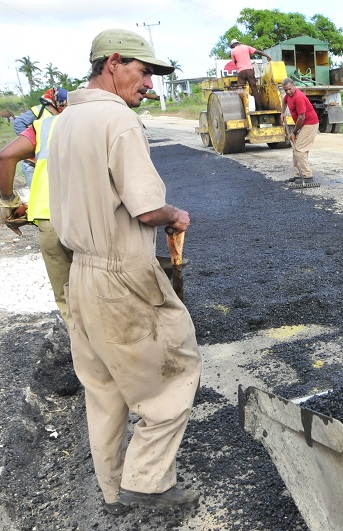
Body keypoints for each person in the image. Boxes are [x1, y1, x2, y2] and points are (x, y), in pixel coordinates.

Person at [47, 28, 202, 515]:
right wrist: (175, 214)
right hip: (121, 275)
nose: (150, 83)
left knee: (105, 386)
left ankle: (113, 490)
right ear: (113, 62)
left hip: (82, 273)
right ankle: (149, 483)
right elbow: (146, 207)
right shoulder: (119, 122)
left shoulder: (66, 118)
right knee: (175, 373)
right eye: (145, 71)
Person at [0, 104, 72, 322]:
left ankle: (83, 352)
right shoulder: (107, 120)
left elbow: (5, 156)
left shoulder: (44, 125)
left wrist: (9, 202)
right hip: (92, 218)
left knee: (66, 297)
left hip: (48, 217)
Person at [13, 87, 67, 188]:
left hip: (52, 163)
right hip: (33, 165)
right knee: (36, 194)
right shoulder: (38, 110)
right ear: (56, 101)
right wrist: (32, 143)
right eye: (63, 104)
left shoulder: (62, 113)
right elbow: (18, 123)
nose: (65, 106)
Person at [281, 78, 320, 183]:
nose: (288, 92)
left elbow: (301, 117)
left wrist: (294, 132)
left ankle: (307, 176)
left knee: (300, 149)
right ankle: (299, 174)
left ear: (294, 85)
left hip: (310, 124)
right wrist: (282, 113)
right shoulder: (288, 96)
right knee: (295, 148)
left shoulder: (299, 97)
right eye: (286, 90)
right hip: (302, 124)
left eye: (289, 89)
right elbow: (284, 102)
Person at [229, 38, 271, 111]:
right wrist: (267, 56)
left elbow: (234, 62)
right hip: (249, 70)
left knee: (242, 90)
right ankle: (259, 108)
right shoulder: (246, 47)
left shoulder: (233, 51)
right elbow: (258, 52)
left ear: (233, 45)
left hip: (241, 71)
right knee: (254, 89)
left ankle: (244, 109)